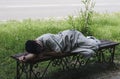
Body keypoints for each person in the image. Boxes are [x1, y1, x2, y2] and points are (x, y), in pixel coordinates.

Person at [18, 29, 101, 62]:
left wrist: (45, 53)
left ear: (35, 41)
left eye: (40, 47)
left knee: (95, 45)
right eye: (39, 49)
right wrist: (24, 57)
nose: (42, 48)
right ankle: (87, 40)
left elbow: (60, 53)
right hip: (69, 45)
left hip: (73, 37)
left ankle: (90, 38)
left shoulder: (46, 39)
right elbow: (34, 53)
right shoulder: (35, 46)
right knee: (89, 50)